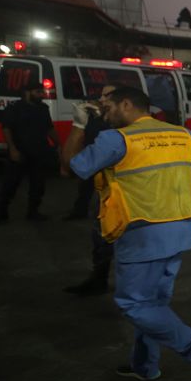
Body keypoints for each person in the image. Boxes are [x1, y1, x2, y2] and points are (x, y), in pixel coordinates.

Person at [68, 86, 191, 381]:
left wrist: (79, 125)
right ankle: (144, 366)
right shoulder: (183, 135)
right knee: (154, 304)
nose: (104, 114)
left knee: (133, 303)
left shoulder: (116, 139)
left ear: (126, 104)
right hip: (181, 230)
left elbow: (72, 165)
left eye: (108, 107)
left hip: (142, 231)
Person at [61, 85, 118, 295]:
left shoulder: (124, 128)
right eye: (101, 94)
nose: (101, 99)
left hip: (125, 195)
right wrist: (80, 125)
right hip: (100, 184)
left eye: (107, 96)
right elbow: (70, 163)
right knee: (101, 237)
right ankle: (99, 278)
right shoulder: (96, 119)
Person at [0, 82, 58, 225]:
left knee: (38, 185)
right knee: (10, 184)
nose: (42, 95)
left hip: (39, 152)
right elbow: (6, 128)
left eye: (41, 92)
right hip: (20, 151)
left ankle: (33, 212)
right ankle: (0, 213)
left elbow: (49, 128)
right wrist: (12, 149)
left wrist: (59, 144)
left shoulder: (43, 108)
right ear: (27, 92)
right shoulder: (15, 108)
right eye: (38, 92)